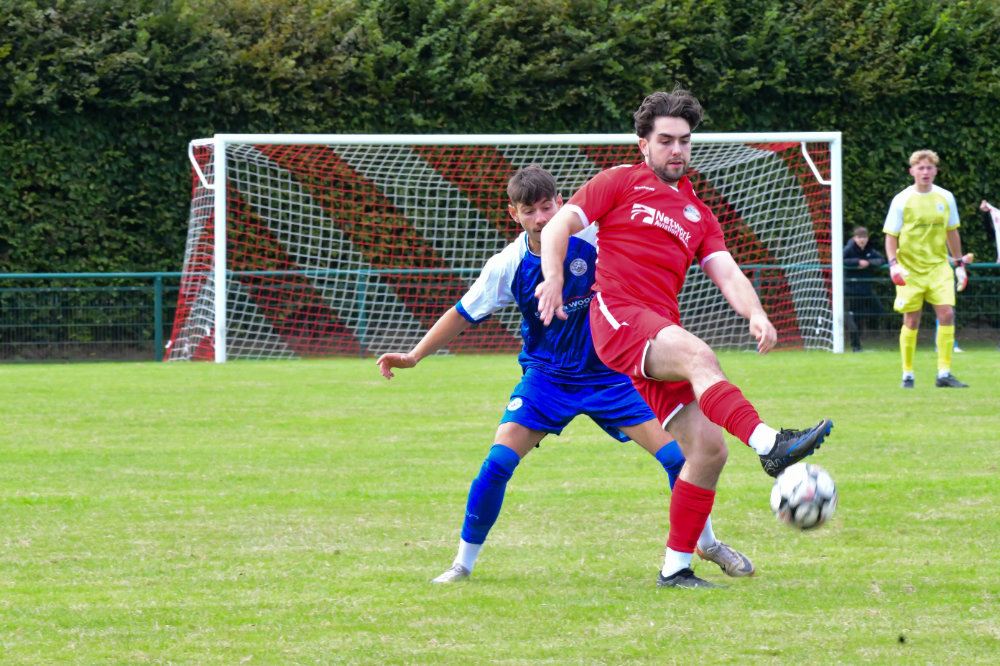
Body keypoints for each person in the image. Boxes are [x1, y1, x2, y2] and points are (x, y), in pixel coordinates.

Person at [377, 165, 754, 587]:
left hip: (612, 375)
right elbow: (463, 313)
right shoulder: (508, 264)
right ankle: (462, 565)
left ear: (561, 203)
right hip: (548, 380)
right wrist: (414, 355)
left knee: (678, 458)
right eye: (529, 211)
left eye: (547, 207)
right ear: (513, 214)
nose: (541, 218)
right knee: (497, 463)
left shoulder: (595, 239)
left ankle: (705, 543)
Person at [534, 88, 833, 589]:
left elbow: (728, 272)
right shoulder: (619, 181)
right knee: (700, 354)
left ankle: (675, 569)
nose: (677, 150)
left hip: (657, 333)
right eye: (666, 140)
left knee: (709, 451)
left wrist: (756, 312)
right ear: (643, 145)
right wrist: (554, 277)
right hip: (618, 315)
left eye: (685, 141)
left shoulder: (699, 213)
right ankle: (770, 444)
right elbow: (556, 227)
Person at [883, 150, 968, 388]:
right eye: (920, 168)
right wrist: (893, 264)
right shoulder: (902, 200)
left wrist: (959, 263)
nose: (925, 172)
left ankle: (944, 373)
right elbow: (891, 235)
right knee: (911, 320)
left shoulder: (946, 197)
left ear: (935, 171)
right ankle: (907, 374)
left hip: (939, 267)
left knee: (947, 314)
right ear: (912, 171)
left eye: (929, 168)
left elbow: (952, 231)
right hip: (910, 269)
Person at [842, 226, 885, 352]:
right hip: (851, 290)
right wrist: (857, 262)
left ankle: (851, 318)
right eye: (859, 237)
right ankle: (856, 346)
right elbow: (841, 259)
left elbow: (881, 260)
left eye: (864, 237)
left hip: (865, 289)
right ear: (854, 238)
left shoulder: (869, 249)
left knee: (878, 310)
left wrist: (868, 263)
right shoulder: (849, 249)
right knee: (855, 320)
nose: (862, 240)